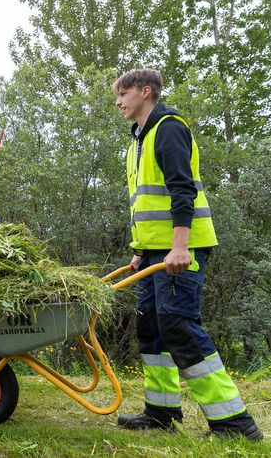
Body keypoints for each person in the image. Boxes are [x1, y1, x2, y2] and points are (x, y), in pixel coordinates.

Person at [112, 69, 263, 441]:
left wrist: (179, 246)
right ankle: (161, 410)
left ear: (145, 92)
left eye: (123, 93)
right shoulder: (138, 141)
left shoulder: (168, 128)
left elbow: (182, 191)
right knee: (150, 328)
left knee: (178, 325)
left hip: (182, 248)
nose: (119, 101)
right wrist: (141, 253)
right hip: (154, 253)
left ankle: (234, 423)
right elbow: (146, 205)